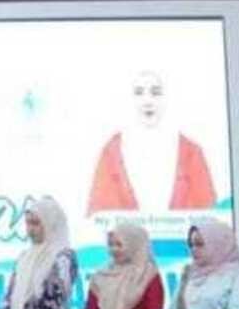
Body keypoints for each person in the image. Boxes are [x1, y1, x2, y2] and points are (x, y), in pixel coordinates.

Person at [87, 71, 216, 215]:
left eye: (155, 93)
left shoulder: (191, 153)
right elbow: (97, 217)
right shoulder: (111, 153)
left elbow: (209, 215)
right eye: (139, 93)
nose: (148, 101)